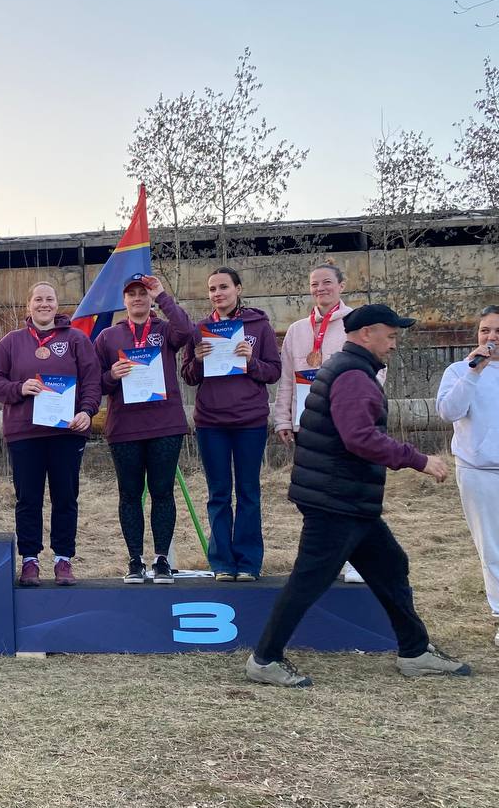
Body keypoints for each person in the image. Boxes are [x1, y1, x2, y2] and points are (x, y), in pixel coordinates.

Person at [246, 304, 470, 687]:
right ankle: (265, 659)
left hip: (347, 498)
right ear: (367, 333)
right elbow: (360, 438)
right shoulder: (353, 376)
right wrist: (418, 459)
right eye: (391, 335)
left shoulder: (347, 367)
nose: (394, 344)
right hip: (336, 500)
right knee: (309, 580)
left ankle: (415, 651)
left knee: (391, 566)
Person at [0, 281, 100, 585]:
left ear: (57, 304)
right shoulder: (12, 342)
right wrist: (19, 388)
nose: (44, 304)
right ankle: (30, 560)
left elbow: (92, 381)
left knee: (65, 497)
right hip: (24, 433)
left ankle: (63, 559)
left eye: (49, 299)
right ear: (29, 305)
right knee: (28, 499)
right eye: (38, 299)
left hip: (67, 433)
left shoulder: (76, 339)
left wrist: (86, 412)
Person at [273, 262, 376, 584]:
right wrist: (282, 418)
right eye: (315, 284)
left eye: (327, 282)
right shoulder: (297, 330)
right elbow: (286, 380)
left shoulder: (359, 323)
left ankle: (357, 560)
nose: (321, 289)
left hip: (349, 424)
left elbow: (376, 371)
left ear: (341, 285)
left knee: (350, 492)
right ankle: (321, 561)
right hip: (310, 425)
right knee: (316, 497)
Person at [180, 267, 281, 581]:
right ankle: (222, 562)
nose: (217, 294)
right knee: (218, 493)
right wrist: (197, 360)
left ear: (238, 289)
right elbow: (188, 376)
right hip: (211, 423)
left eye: (223, 287)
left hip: (250, 421)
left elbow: (274, 371)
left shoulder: (259, 326)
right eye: (212, 289)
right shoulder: (200, 330)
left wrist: (251, 361)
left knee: (249, 492)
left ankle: (248, 562)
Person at [94, 273, 195, 584]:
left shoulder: (165, 330)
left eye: (143, 293)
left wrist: (163, 295)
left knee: (162, 492)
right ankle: (135, 559)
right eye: (132, 294)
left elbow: (187, 330)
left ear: (150, 298)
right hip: (125, 427)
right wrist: (111, 375)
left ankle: (162, 559)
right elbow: (94, 383)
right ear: (124, 300)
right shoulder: (108, 337)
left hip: (164, 424)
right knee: (129, 494)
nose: (138, 298)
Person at [435, 304, 499, 645]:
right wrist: (474, 373)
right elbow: (449, 411)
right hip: (479, 471)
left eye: (498, 331)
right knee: (492, 548)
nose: (491, 337)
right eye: (485, 330)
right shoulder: (460, 370)